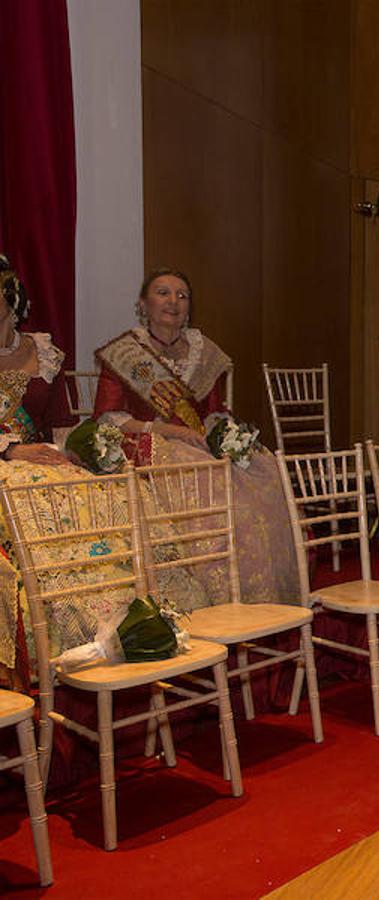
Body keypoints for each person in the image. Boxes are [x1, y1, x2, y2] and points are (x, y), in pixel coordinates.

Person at [92, 268, 299, 606]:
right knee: (208, 482)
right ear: (142, 304)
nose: (173, 301)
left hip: (198, 441)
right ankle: (215, 592)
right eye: (162, 293)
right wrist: (173, 432)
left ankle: (260, 592)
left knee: (263, 467)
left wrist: (230, 439)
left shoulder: (205, 354)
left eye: (182, 295)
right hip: (150, 443)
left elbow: (215, 413)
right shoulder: (124, 353)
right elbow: (109, 418)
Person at [0, 254, 80, 688]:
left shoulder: (42, 351)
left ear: (11, 300)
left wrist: (73, 455)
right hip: (4, 467)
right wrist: (10, 452)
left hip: (44, 458)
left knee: (79, 491)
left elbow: (61, 421)